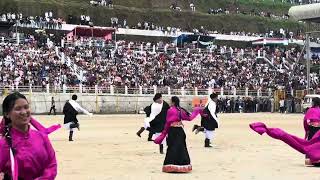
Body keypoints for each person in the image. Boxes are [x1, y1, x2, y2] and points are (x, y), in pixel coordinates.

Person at [0, 92, 57, 179]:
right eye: (18, 109)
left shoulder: (42, 137)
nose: (24, 112)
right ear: (7, 114)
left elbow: (52, 164)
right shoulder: (3, 144)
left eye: (26, 107)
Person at [154, 96, 203, 173]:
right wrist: (197, 110)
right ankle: (184, 165)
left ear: (173, 102)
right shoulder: (181, 110)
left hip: (172, 131)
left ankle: (171, 165)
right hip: (180, 131)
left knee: (172, 147)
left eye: (170, 101)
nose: (170, 102)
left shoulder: (170, 110)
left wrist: (162, 135)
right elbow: (190, 118)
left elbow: (167, 123)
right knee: (182, 147)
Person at [303, 97, 320, 164]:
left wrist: (307, 130)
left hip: (312, 130)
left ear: (314, 103)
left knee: (310, 144)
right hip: (319, 131)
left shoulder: (310, 110)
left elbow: (305, 121)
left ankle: (310, 159)